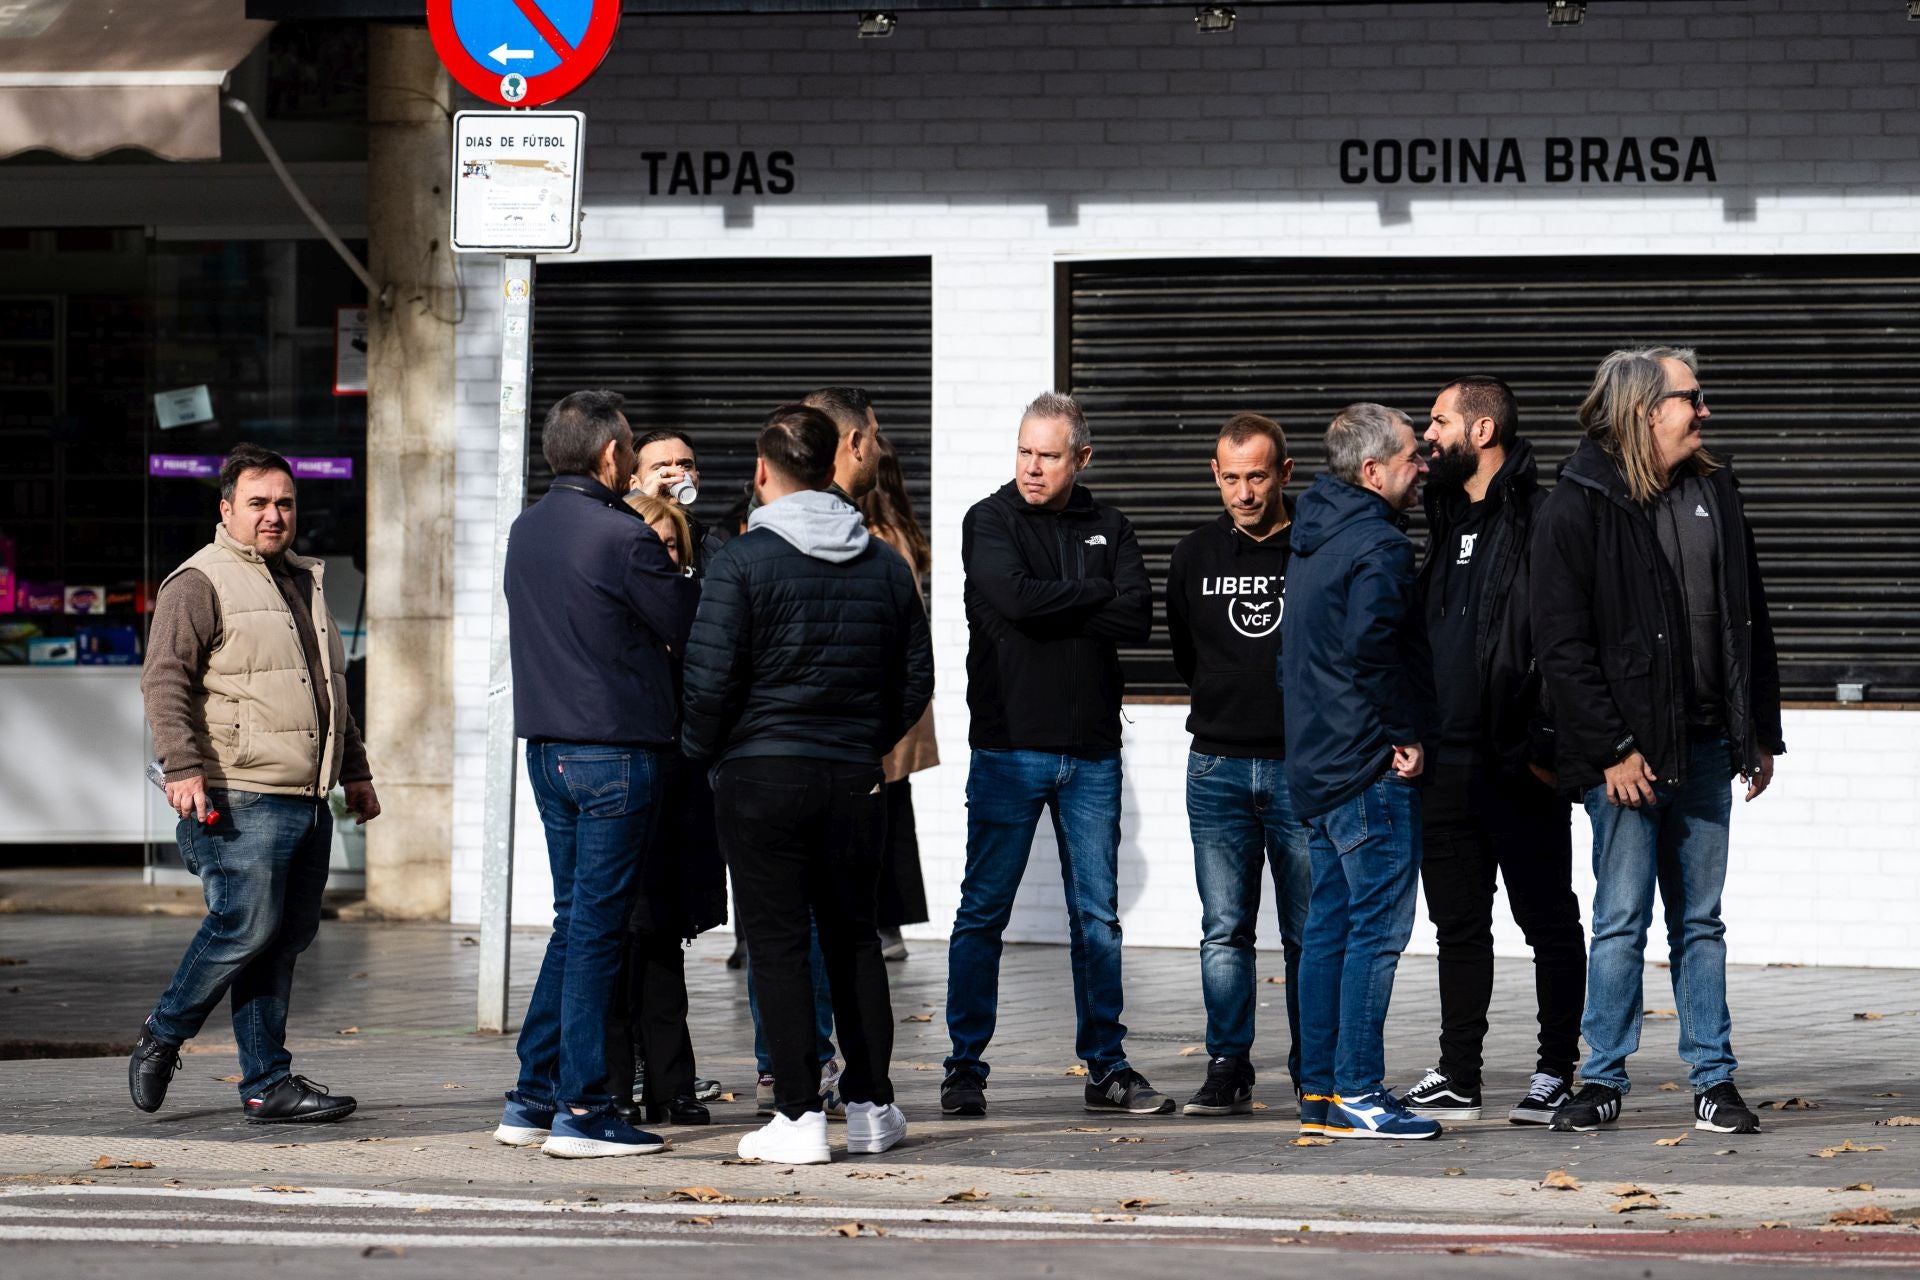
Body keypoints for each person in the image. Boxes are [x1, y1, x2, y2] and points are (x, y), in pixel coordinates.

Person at [1531, 347, 1783, 1136]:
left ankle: (1715, 1082)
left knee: (1700, 922)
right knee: (1620, 920)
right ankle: (1601, 1079)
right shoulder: (1579, 504)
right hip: (1628, 762)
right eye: (1691, 398)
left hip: (1709, 745)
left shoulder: (1714, 486)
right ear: (1647, 410)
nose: (1703, 411)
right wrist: (1610, 749)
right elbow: (1562, 647)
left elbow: (1750, 616)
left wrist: (1760, 730)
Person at [681, 403, 933, 1165]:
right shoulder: (885, 563)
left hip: (760, 777)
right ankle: (870, 1107)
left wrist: (709, 757)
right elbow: (914, 677)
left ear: (762, 473)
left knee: (780, 944)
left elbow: (707, 683)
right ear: (833, 467)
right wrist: (860, 742)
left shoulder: (741, 560)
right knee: (855, 938)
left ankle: (796, 1115)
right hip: (852, 777)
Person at [130, 443, 379, 1124]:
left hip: (306, 796)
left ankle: (268, 1083)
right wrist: (182, 767)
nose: (274, 515)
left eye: (285, 503)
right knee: (245, 923)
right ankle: (164, 1033)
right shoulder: (199, 581)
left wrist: (354, 773)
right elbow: (164, 680)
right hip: (236, 792)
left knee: (282, 938)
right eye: (259, 503)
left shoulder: (302, 578)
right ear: (226, 510)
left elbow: (331, 693)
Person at [944, 391, 1165, 1119]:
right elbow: (1010, 598)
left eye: (1049, 455)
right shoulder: (990, 519)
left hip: (1093, 754)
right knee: (983, 912)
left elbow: (1135, 614)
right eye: (1025, 452)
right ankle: (965, 1068)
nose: (1033, 468)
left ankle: (1106, 1066)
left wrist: (1056, 600)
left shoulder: (1111, 524)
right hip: (1009, 749)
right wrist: (1087, 595)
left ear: (1082, 458)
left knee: (1095, 919)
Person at [493, 389, 696, 1159]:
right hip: (613, 751)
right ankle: (583, 1108)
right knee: (598, 932)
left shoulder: (526, 529)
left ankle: (532, 1097)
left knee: (576, 922)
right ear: (612, 456)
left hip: (546, 749)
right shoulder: (622, 537)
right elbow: (684, 621)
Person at [1399, 376, 1588, 1127]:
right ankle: (1459, 1072)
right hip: (1444, 763)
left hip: (1518, 761)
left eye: (1438, 420)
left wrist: (1543, 744)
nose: (1426, 436)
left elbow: (1564, 640)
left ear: (1481, 431)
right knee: (1457, 928)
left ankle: (1555, 1070)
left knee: (1548, 921)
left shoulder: (1541, 518)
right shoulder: (1441, 519)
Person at [1281, 403, 1438, 1141]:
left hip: (1317, 763)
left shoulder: (1315, 535)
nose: (1424, 464)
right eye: (1412, 456)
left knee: (1331, 933)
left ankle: (1320, 1092)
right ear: (1373, 472)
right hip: (1367, 764)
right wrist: (1405, 732)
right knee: (1375, 934)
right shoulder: (1376, 544)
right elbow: (1373, 644)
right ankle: (1358, 1092)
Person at [1164, 413, 1308, 1117]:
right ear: (1213, 476)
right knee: (1224, 929)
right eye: (1231, 477)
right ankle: (1228, 1065)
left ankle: (1316, 1063)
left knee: (1309, 931)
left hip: (1300, 769)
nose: (1244, 492)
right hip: (1217, 767)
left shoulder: (1314, 548)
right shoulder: (1192, 555)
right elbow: (1189, 658)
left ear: (1285, 474)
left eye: (1257, 476)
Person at [602, 493, 724, 1127]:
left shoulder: (699, 614)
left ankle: (672, 1084)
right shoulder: (611, 622)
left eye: (671, 546)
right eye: (649, 546)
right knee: (622, 943)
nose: (661, 557)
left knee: (661, 944)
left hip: (680, 796)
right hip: (623, 784)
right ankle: (619, 1085)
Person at [856, 434, 938, 962]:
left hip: (880, 700)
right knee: (891, 813)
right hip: (899, 703)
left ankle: (881, 924)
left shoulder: (876, 539)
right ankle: (889, 926)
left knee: (875, 816)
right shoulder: (901, 532)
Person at [632, 429, 731, 570]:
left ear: (697, 480)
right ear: (634, 484)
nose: (678, 474)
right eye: (661, 468)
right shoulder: (614, 536)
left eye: (686, 466)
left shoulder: (716, 552)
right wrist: (640, 503)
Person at [803, 385, 884, 500]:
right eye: (874, 435)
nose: (879, 450)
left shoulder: (776, 510)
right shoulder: (842, 516)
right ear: (855, 443)